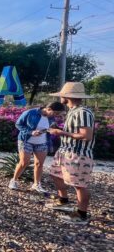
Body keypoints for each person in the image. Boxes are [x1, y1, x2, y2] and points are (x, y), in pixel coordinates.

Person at [46, 82, 96, 225]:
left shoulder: (83, 112)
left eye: (62, 94)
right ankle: (64, 201)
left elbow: (86, 136)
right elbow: (76, 132)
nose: (60, 96)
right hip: (65, 151)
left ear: (67, 96)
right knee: (55, 175)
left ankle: (81, 214)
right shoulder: (73, 110)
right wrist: (59, 129)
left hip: (78, 154)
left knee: (79, 184)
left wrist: (60, 132)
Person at [9, 102, 66, 192]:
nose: (56, 116)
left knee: (39, 164)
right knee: (24, 162)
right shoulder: (30, 112)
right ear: (49, 109)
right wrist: (31, 132)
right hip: (26, 140)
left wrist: (57, 125)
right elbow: (18, 124)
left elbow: (51, 126)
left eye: (57, 114)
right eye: (55, 113)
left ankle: (36, 184)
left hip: (42, 142)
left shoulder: (51, 117)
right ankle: (14, 180)